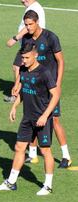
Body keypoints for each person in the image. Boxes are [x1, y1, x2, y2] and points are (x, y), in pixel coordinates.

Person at [0, 43, 60, 195]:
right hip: (27, 118)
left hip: (42, 118)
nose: (23, 61)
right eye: (22, 57)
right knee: (19, 148)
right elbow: (23, 91)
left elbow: (55, 95)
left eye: (26, 57)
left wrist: (45, 115)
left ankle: (48, 186)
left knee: (45, 151)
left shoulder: (44, 73)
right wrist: (14, 106)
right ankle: (11, 182)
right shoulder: (23, 70)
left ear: (35, 55)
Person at [14, 10, 71, 168]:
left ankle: (66, 155)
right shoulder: (26, 39)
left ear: (37, 22)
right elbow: (22, 63)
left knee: (54, 119)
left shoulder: (50, 37)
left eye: (30, 24)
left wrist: (58, 83)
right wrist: (17, 82)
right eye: (25, 24)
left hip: (50, 86)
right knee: (32, 116)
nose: (28, 27)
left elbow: (60, 61)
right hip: (34, 86)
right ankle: (32, 154)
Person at [4, 0, 45, 103]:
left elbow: (29, 27)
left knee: (20, 67)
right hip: (29, 43)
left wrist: (15, 38)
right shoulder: (32, 7)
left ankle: (18, 95)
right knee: (20, 67)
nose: (23, 0)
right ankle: (22, 93)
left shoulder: (35, 8)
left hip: (30, 43)